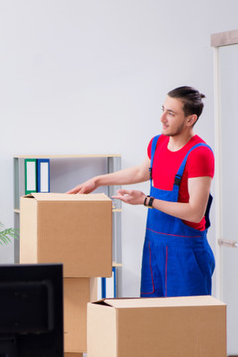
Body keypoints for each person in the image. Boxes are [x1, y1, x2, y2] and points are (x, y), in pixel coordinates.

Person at [68, 86, 214, 297]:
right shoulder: (158, 143)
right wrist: (97, 180)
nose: (162, 118)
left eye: (171, 113)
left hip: (185, 253)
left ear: (190, 120)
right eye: (163, 109)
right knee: (151, 320)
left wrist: (147, 201)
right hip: (154, 248)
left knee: (185, 325)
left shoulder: (199, 154)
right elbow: (140, 172)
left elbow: (195, 212)